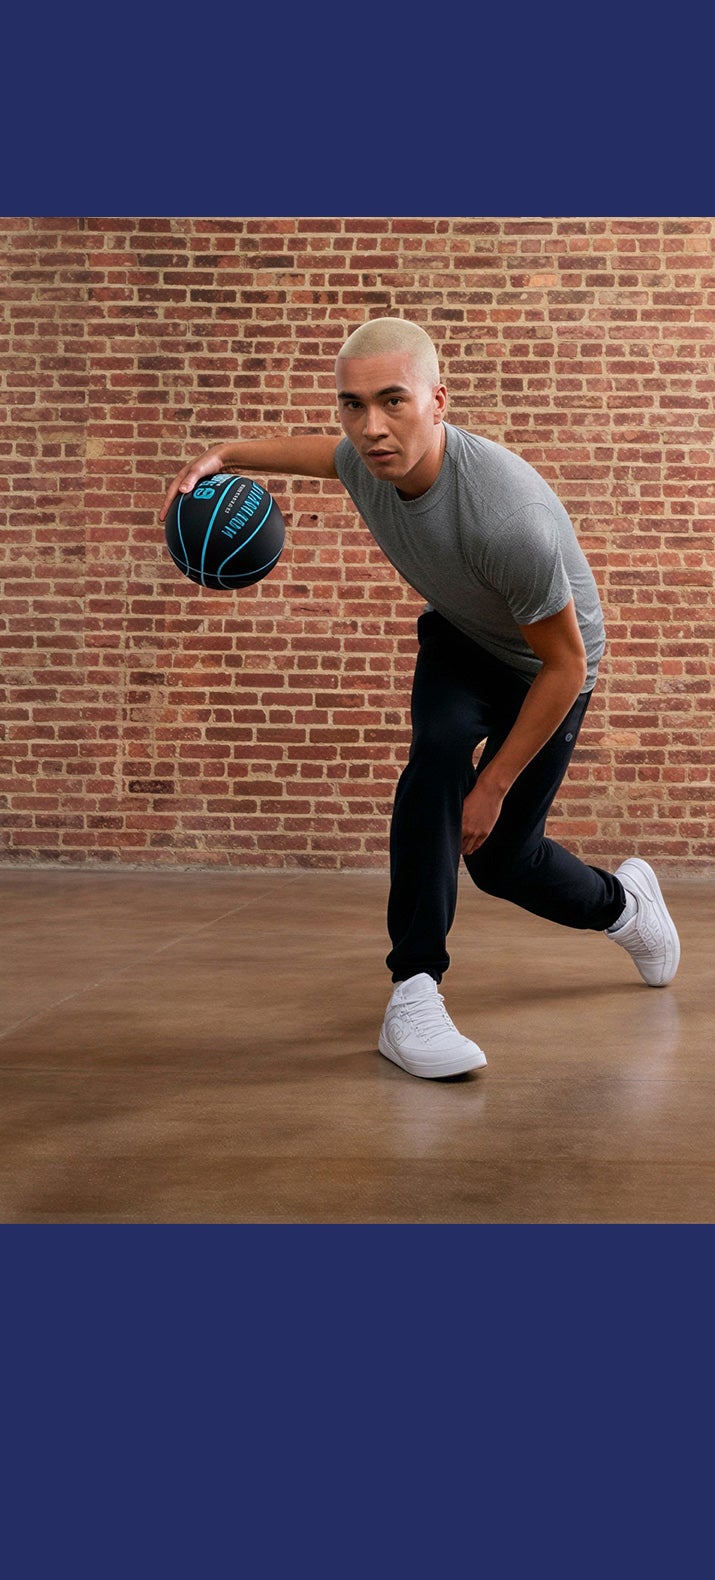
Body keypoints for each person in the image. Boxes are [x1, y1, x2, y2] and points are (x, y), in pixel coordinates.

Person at [160, 317, 679, 1079]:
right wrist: (226, 455)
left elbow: (565, 665)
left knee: (502, 862)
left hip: (545, 668)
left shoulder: (508, 520)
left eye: (393, 401)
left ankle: (624, 907)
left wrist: (492, 786)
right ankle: (414, 989)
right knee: (436, 756)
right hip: (463, 638)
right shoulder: (370, 456)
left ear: (438, 401)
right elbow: (325, 457)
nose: (371, 427)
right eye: (353, 405)